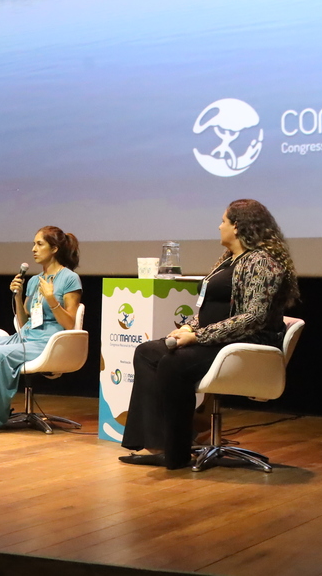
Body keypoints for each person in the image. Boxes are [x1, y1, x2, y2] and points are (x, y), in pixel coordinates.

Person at [119, 199, 299, 469]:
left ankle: (176, 454)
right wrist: (190, 326)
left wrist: (198, 337)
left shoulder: (262, 262)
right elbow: (207, 308)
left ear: (236, 227)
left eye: (223, 221)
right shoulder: (228, 261)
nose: (219, 226)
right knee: (147, 352)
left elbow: (253, 317)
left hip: (244, 344)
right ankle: (158, 443)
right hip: (215, 340)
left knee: (174, 364)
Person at [0, 226, 83, 430]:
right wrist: (18, 294)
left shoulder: (69, 279)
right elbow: (24, 322)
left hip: (48, 340)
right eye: (33, 244)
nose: (34, 249)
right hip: (26, 335)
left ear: (54, 249)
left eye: (39, 244)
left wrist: (51, 299)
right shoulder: (34, 281)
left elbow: (69, 324)